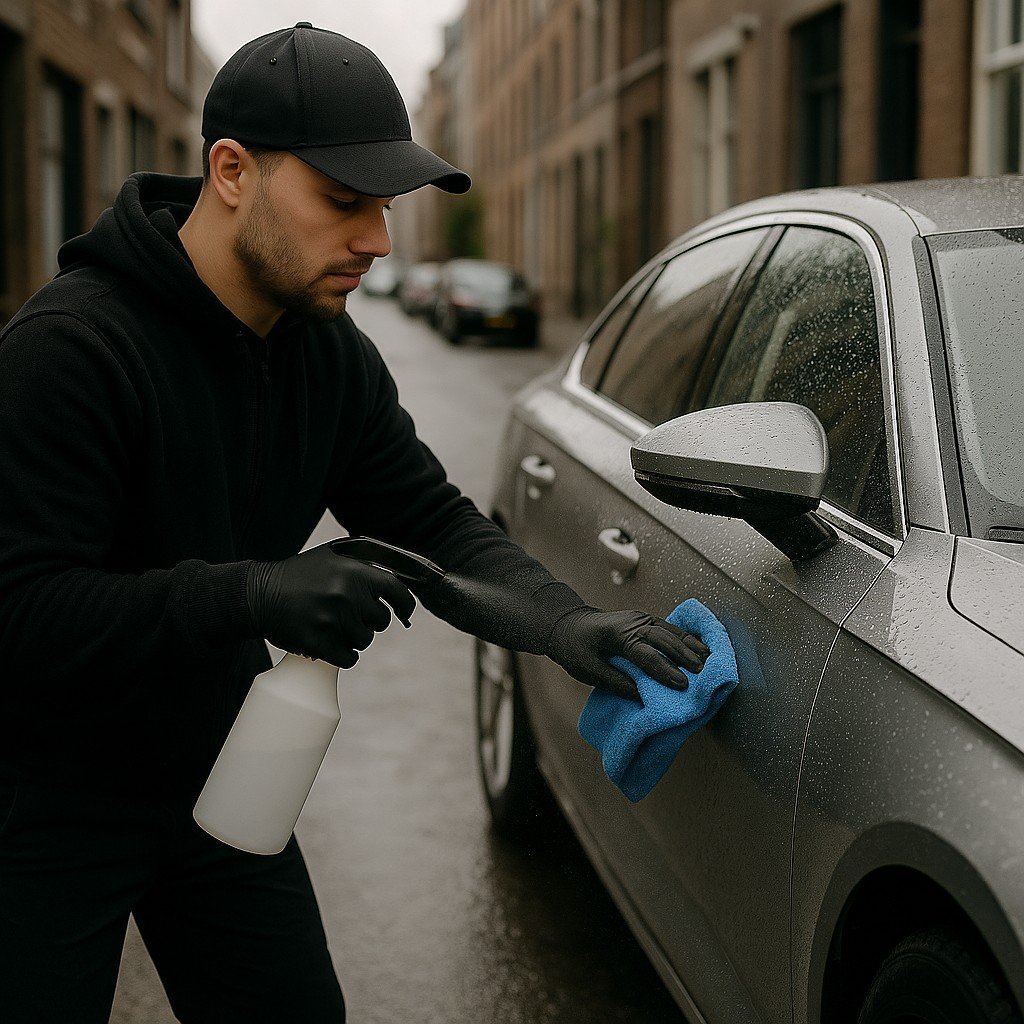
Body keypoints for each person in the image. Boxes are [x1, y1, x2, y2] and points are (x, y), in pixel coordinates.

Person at [0, 23, 709, 1024]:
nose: (375, 240)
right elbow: (22, 615)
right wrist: (248, 592)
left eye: (382, 207)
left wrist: (561, 622)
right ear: (232, 171)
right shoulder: (68, 352)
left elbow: (429, 517)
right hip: (43, 799)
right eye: (343, 203)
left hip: (225, 769)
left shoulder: (327, 356)